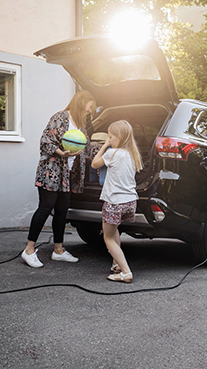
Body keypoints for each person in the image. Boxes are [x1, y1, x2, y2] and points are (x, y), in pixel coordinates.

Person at [21, 91, 96, 268]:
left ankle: (59, 250)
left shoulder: (80, 125)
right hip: (50, 172)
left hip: (66, 175)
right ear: (80, 104)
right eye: (89, 107)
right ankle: (29, 250)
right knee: (45, 208)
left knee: (62, 211)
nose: (89, 111)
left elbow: (86, 147)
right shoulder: (60, 117)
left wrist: (109, 148)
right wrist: (61, 152)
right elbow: (45, 140)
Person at [91, 120, 143, 283]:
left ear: (119, 137)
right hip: (130, 201)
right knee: (114, 232)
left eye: (111, 137)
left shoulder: (112, 153)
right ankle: (117, 264)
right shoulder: (133, 155)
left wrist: (105, 146)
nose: (109, 139)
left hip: (114, 202)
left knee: (108, 237)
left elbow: (94, 164)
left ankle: (126, 272)